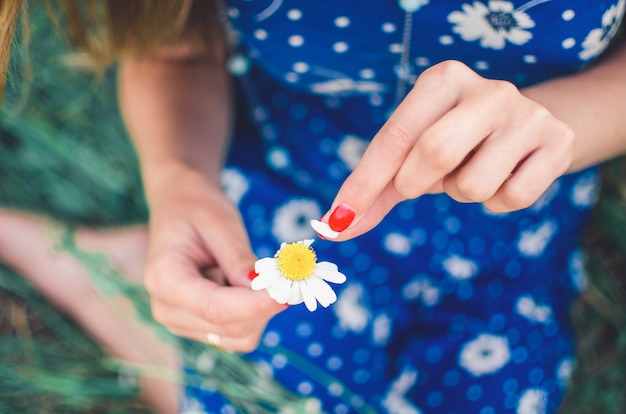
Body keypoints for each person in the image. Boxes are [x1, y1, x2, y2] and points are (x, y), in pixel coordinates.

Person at [3, 0, 626, 413]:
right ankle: (108, 278)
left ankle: (115, 274)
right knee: (267, 380)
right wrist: (179, 179)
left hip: (506, 222)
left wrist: (557, 123)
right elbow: (175, 45)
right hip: (293, 181)